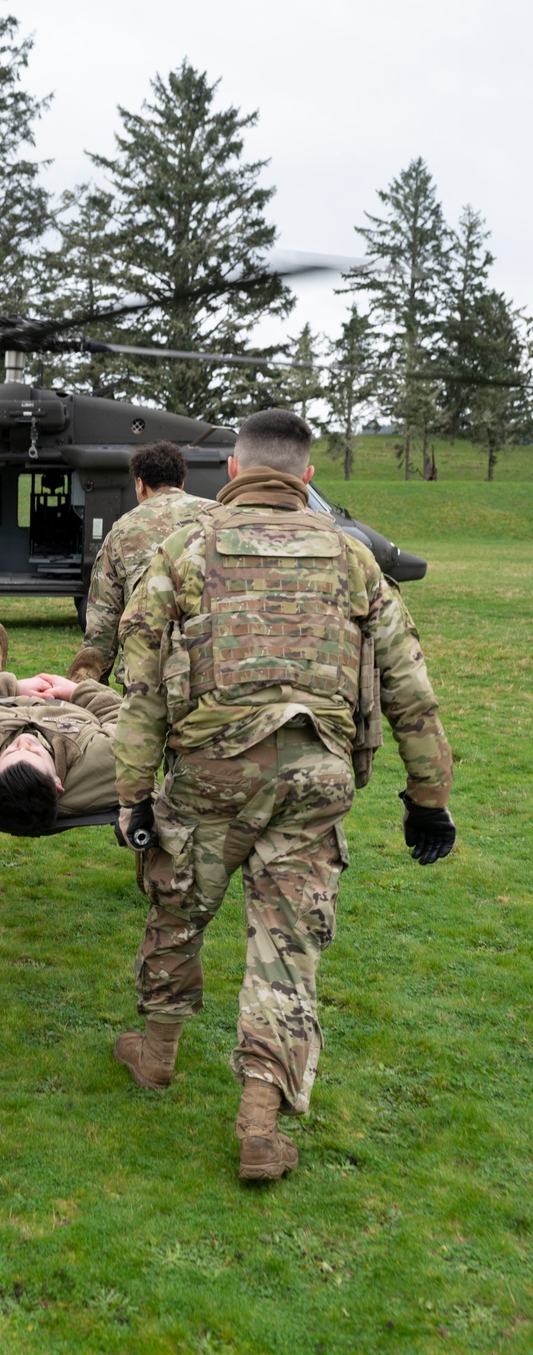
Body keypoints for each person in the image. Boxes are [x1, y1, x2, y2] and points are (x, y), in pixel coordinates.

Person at [112, 409, 455, 1182]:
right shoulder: (354, 557)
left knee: (177, 907)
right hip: (317, 778)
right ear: (306, 479)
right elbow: (409, 686)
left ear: (231, 473)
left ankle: (157, 1054)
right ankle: (259, 1121)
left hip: (209, 773)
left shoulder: (183, 550)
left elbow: (140, 690)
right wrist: (428, 795)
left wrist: (133, 795)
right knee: (286, 949)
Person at [0, 622, 121, 835]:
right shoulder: (105, 761)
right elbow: (126, 719)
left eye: (10, 752)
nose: (23, 742)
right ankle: (81, 679)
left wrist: (8, 687)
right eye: (34, 752)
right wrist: (78, 691)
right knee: (89, 689)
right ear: (57, 783)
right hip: (69, 711)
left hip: (0, 705)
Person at [70, 440, 216, 685]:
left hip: (146, 675)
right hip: (212, 668)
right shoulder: (218, 516)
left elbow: (103, 622)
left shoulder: (122, 531)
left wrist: (92, 685)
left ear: (140, 484)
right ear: (182, 483)